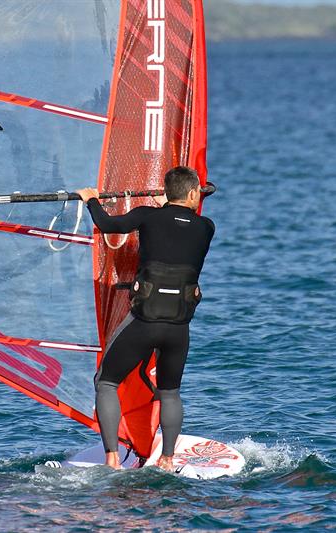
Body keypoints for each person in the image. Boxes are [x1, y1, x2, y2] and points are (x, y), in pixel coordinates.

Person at [75, 166, 215, 472]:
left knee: (106, 381)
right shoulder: (206, 227)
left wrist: (91, 200)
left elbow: (108, 224)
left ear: (166, 194)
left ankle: (112, 458)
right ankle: (167, 458)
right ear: (194, 194)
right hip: (178, 328)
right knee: (170, 392)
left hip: (144, 323)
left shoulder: (147, 216)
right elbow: (184, 218)